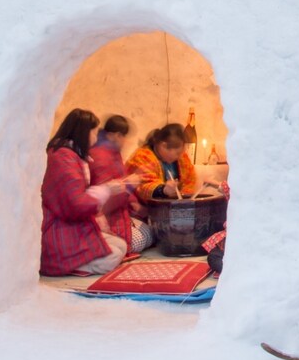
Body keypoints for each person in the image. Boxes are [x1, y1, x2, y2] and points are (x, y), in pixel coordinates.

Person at [40, 108, 136, 277]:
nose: (96, 137)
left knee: (121, 246)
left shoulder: (74, 156)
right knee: (113, 256)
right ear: (83, 133)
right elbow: (75, 203)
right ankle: (71, 266)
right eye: (93, 132)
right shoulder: (63, 158)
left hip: (78, 223)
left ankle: (85, 259)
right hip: (61, 228)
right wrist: (108, 189)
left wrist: (116, 188)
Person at [92, 115, 153, 253]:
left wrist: (134, 202)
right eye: (124, 137)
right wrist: (130, 185)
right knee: (146, 236)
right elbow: (104, 200)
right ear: (116, 135)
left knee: (152, 232)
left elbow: (120, 179)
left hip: (120, 211)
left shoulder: (112, 152)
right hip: (106, 218)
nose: (125, 141)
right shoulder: (101, 157)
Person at [127, 122, 200, 199]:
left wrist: (183, 199)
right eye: (177, 153)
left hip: (176, 207)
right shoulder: (142, 157)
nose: (180, 157)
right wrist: (163, 190)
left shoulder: (182, 158)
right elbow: (143, 186)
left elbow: (190, 180)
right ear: (163, 146)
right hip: (146, 207)